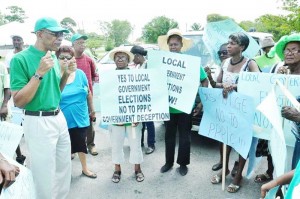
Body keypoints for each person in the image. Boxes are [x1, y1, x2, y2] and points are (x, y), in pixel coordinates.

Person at [10, 17, 73, 199]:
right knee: (43, 174)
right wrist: (39, 73)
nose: (60, 38)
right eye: (54, 34)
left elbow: (56, 93)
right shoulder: (20, 59)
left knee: (63, 169)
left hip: (58, 117)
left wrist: (65, 75)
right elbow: (19, 101)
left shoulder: (52, 56)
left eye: (61, 34)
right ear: (39, 34)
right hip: (37, 120)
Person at [209, 32, 260, 193]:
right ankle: (224, 170)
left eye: (233, 43)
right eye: (228, 42)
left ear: (242, 47)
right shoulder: (224, 63)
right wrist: (213, 82)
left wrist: (236, 87)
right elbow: (218, 84)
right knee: (224, 141)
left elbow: (259, 84)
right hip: (226, 108)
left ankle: (238, 176)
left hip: (243, 110)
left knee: (241, 142)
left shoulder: (250, 63)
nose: (228, 46)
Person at [157, 28, 208, 176]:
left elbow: (204, 80)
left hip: (185, 107)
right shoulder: (163, 62)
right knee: (169, 136)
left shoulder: (191, 63)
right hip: (168, 107)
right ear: (168, 45)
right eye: (171, 44)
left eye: (176, 44)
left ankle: (183, 164)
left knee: (185, 137)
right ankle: (168, 162)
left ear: (181, 45)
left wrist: (201, 102)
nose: (173, 47)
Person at [57, 46, 97, 179]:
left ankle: (85, 169)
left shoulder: (80, 74)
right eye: (62, 57)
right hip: (62, 119)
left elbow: (88, 93)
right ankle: (64, 173)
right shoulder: (54, 76)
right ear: (57, 59)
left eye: (68, 57)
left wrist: (92, 110)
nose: (65, 60)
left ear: (73, 59)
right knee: (63, 148)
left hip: (80, 117)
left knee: (81, 144)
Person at [108, 47, 144, 183]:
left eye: (123, 57)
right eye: (117, 57)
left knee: (135, 144)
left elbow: (142, 97)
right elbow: (107, 99)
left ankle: (137, 169)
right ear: (114, 60)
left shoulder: (136, 75)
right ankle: (117, 170)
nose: (120, 59)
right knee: (116, 144)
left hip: (133, 120)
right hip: (116, 120)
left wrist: (138, 117)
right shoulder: (109, 78)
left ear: (128, 60)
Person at [71, 33, 98, 156]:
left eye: (84, 43)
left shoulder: (89, 60)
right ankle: (73, 148)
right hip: (71, 98)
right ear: (73, 44)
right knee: (71, 123)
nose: (82, 45)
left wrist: (88, 89)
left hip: (86, 97)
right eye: (79, 42)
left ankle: (91, 145)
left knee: (89, 121)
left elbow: (94, 76)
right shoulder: (69, 60)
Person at [276, 33, 300, 170]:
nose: (289, 53)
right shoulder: (282, 73)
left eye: (294, 50)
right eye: (287, 50)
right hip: (282, 136)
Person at [4, 34, 26, 165]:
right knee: (17, 112)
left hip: (27, 85)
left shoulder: (27, 54)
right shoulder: (9, 56)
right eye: (14, 40)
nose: (16, 42)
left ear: (23, 41)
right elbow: (8, 71)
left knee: (25, 110)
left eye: (18, 39)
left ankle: (25, 128)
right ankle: (22, 129)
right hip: (14, 87)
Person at [130, 45, 156, 154]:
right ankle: (140, 142)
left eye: (133, 57)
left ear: (138, 56)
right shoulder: (138, 66)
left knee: (149, 122)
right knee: (140, 123)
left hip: (147, 99)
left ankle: (151, 144)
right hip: (139, 99)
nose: (132, 59)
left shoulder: (148, 66)